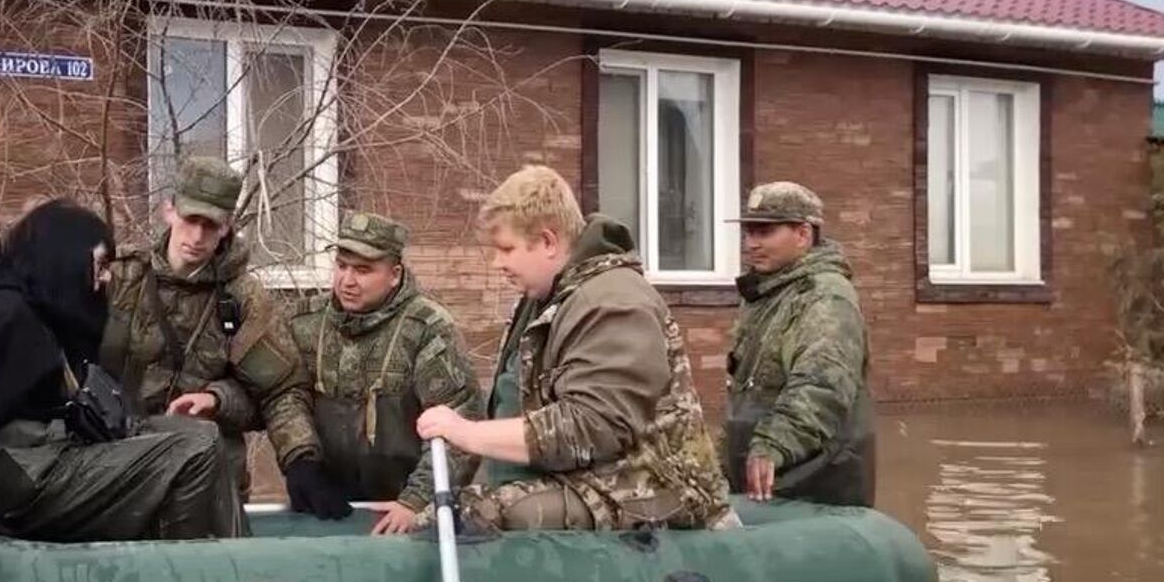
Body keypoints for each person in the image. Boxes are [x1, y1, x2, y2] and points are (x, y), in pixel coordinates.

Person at [415, 165, 737, 532]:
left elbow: (595, 425)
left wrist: (468, 432)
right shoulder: (544, 299)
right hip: (581, 480)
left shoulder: (613, 301)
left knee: (470, 518)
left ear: (549, 242)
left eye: (506, 249)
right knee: (448, 511)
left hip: (650, 490)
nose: (497, 263)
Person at [0, 199, 245, 541]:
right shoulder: (7, 320)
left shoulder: (43, 306)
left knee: (203, 435)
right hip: (22, 481)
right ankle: (187, 576)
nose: (106, 276)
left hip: (44, 456)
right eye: (100, 264)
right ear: (68, 260)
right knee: (194, 455)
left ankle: (240, 567)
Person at [99, 155, 334, 514]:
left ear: (227, 228)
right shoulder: (120, 278)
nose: (197, 237)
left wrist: (300, 458)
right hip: (118, 475)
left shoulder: (242, 298)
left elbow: (280, 390)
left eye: (211, 225)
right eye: (191, 219)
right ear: (169, 211)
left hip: (206, 485)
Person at [285, 211, 484, 533]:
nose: (347, 281)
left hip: (401, 512)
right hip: (323, 508)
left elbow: (459, 426)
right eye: (341, 266)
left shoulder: (428, 329)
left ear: (394, 274)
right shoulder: (303, 322)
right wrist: (301, 460)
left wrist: (416, 501)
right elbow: (282, 397)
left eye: (363, 270)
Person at [724, 181, 876, 506]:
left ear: (803, 235)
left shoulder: (824, 297)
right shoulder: (766, 295)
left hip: (812, 486)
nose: (751, 244)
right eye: (748, 232)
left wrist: (774, 443)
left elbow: (822, 385)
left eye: (764, 232)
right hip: (765, 484)